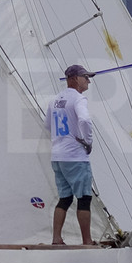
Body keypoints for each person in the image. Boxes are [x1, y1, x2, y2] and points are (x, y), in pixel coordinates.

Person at [46, 63, 95, 244]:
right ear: (74, 79)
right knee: (84, 198)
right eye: (85, 77)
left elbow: (47, 125)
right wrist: (88, 141)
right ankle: (87, 241)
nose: (88, 81)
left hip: (57, 157)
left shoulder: (54, 100)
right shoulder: (78, 99)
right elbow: (84, 120)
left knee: (65, 199)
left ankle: (56, 238)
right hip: (75, 157)